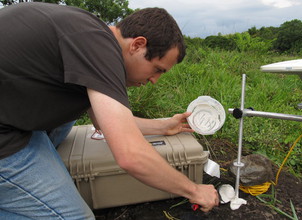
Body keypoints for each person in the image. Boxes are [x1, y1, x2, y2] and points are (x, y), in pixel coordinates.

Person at [0, 2, 219, 219]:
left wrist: (163, 126)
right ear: (137, 45)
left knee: (76, 105)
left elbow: (105, 122)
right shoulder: (100, 48)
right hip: (6, 134)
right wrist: (194, 190)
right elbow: (130, 156)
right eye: (157, 69)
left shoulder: (91, 36)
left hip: (12, 106)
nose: (154, 80)